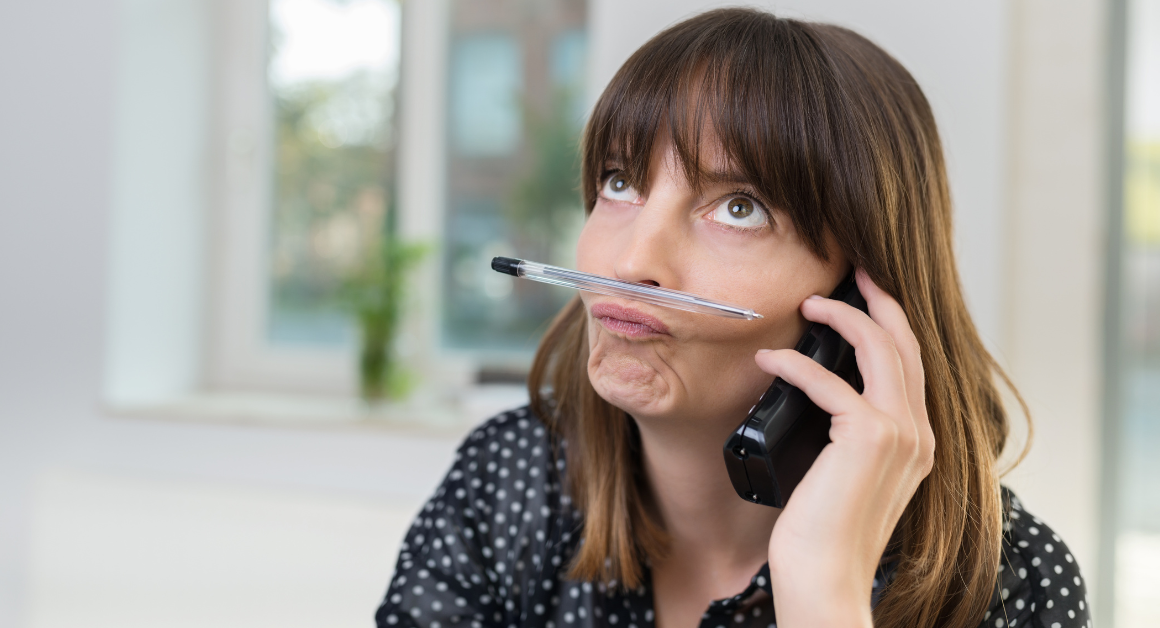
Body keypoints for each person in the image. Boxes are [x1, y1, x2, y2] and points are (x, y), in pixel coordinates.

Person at [377, 8, 1090, 628]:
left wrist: (824, 590)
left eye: (739, 207)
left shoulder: (1010, 585)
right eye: (620, 182)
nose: (630, 261)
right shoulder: (507, 480)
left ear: (858, 299)